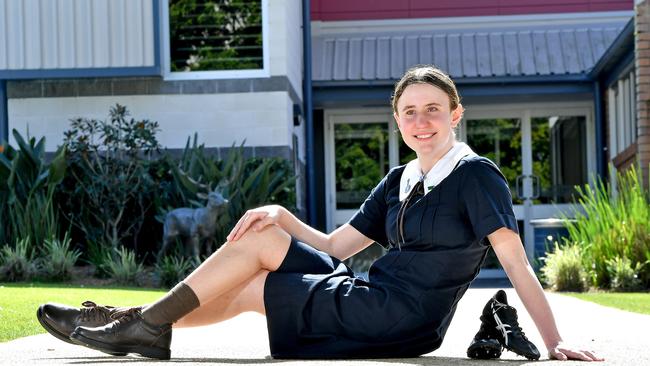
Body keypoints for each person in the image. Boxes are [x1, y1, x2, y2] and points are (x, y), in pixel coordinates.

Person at [37, 65, 602, 362]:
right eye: (409, 112)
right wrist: (281, 213)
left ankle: (135, 325)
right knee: (260, 240)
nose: (420, 121)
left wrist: (553, 341)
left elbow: (516, 262)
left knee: (255, 279)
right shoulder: (401, 179)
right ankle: (132, 324)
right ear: (398, 121)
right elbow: (336, 248)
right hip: (368, 293)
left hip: (401, 318)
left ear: (455, 114)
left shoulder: (475, 175)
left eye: (433, 109)